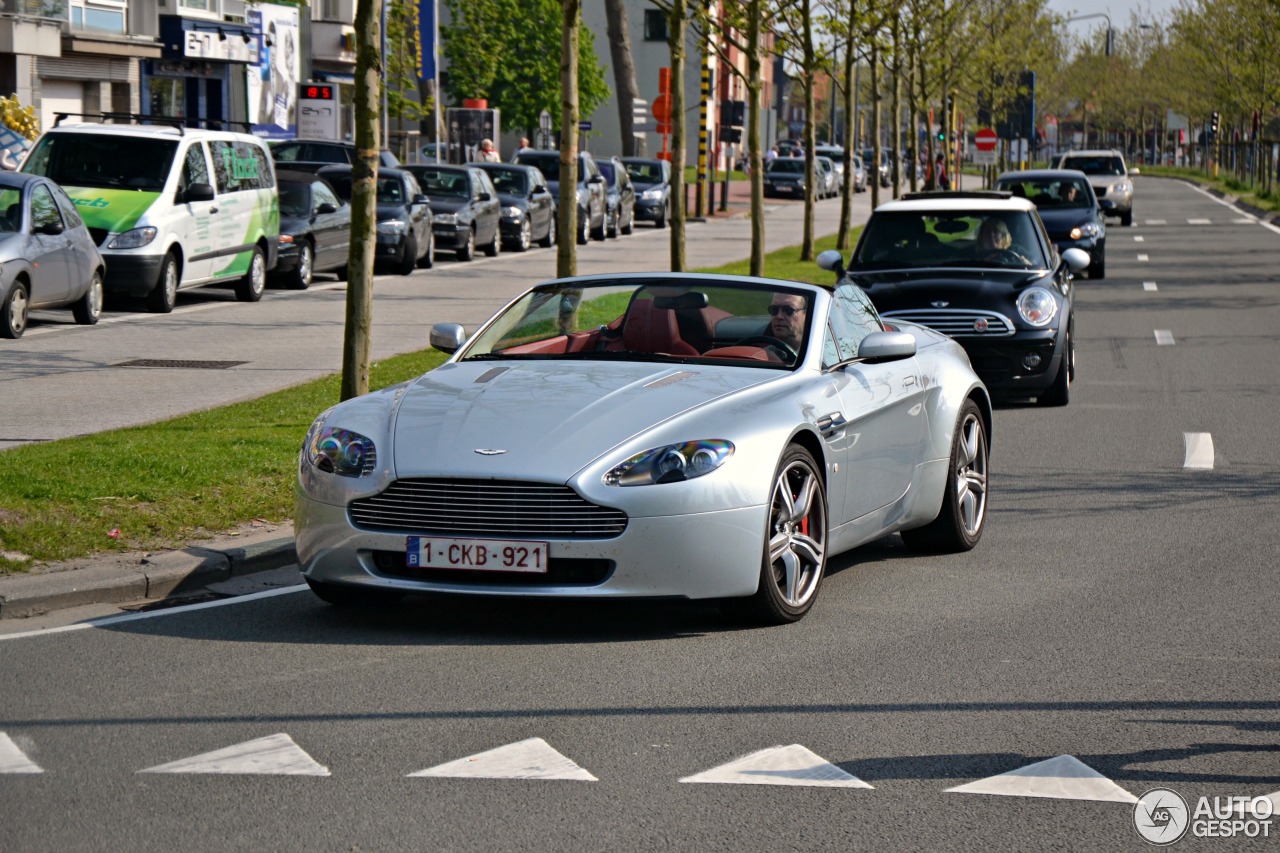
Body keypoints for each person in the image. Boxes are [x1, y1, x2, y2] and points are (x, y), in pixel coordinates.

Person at [767, 292, 808, 359]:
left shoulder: (816, 355)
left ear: (807, 315)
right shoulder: (762, 356)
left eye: (788, 310)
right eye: (774, 309)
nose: (779, 316)